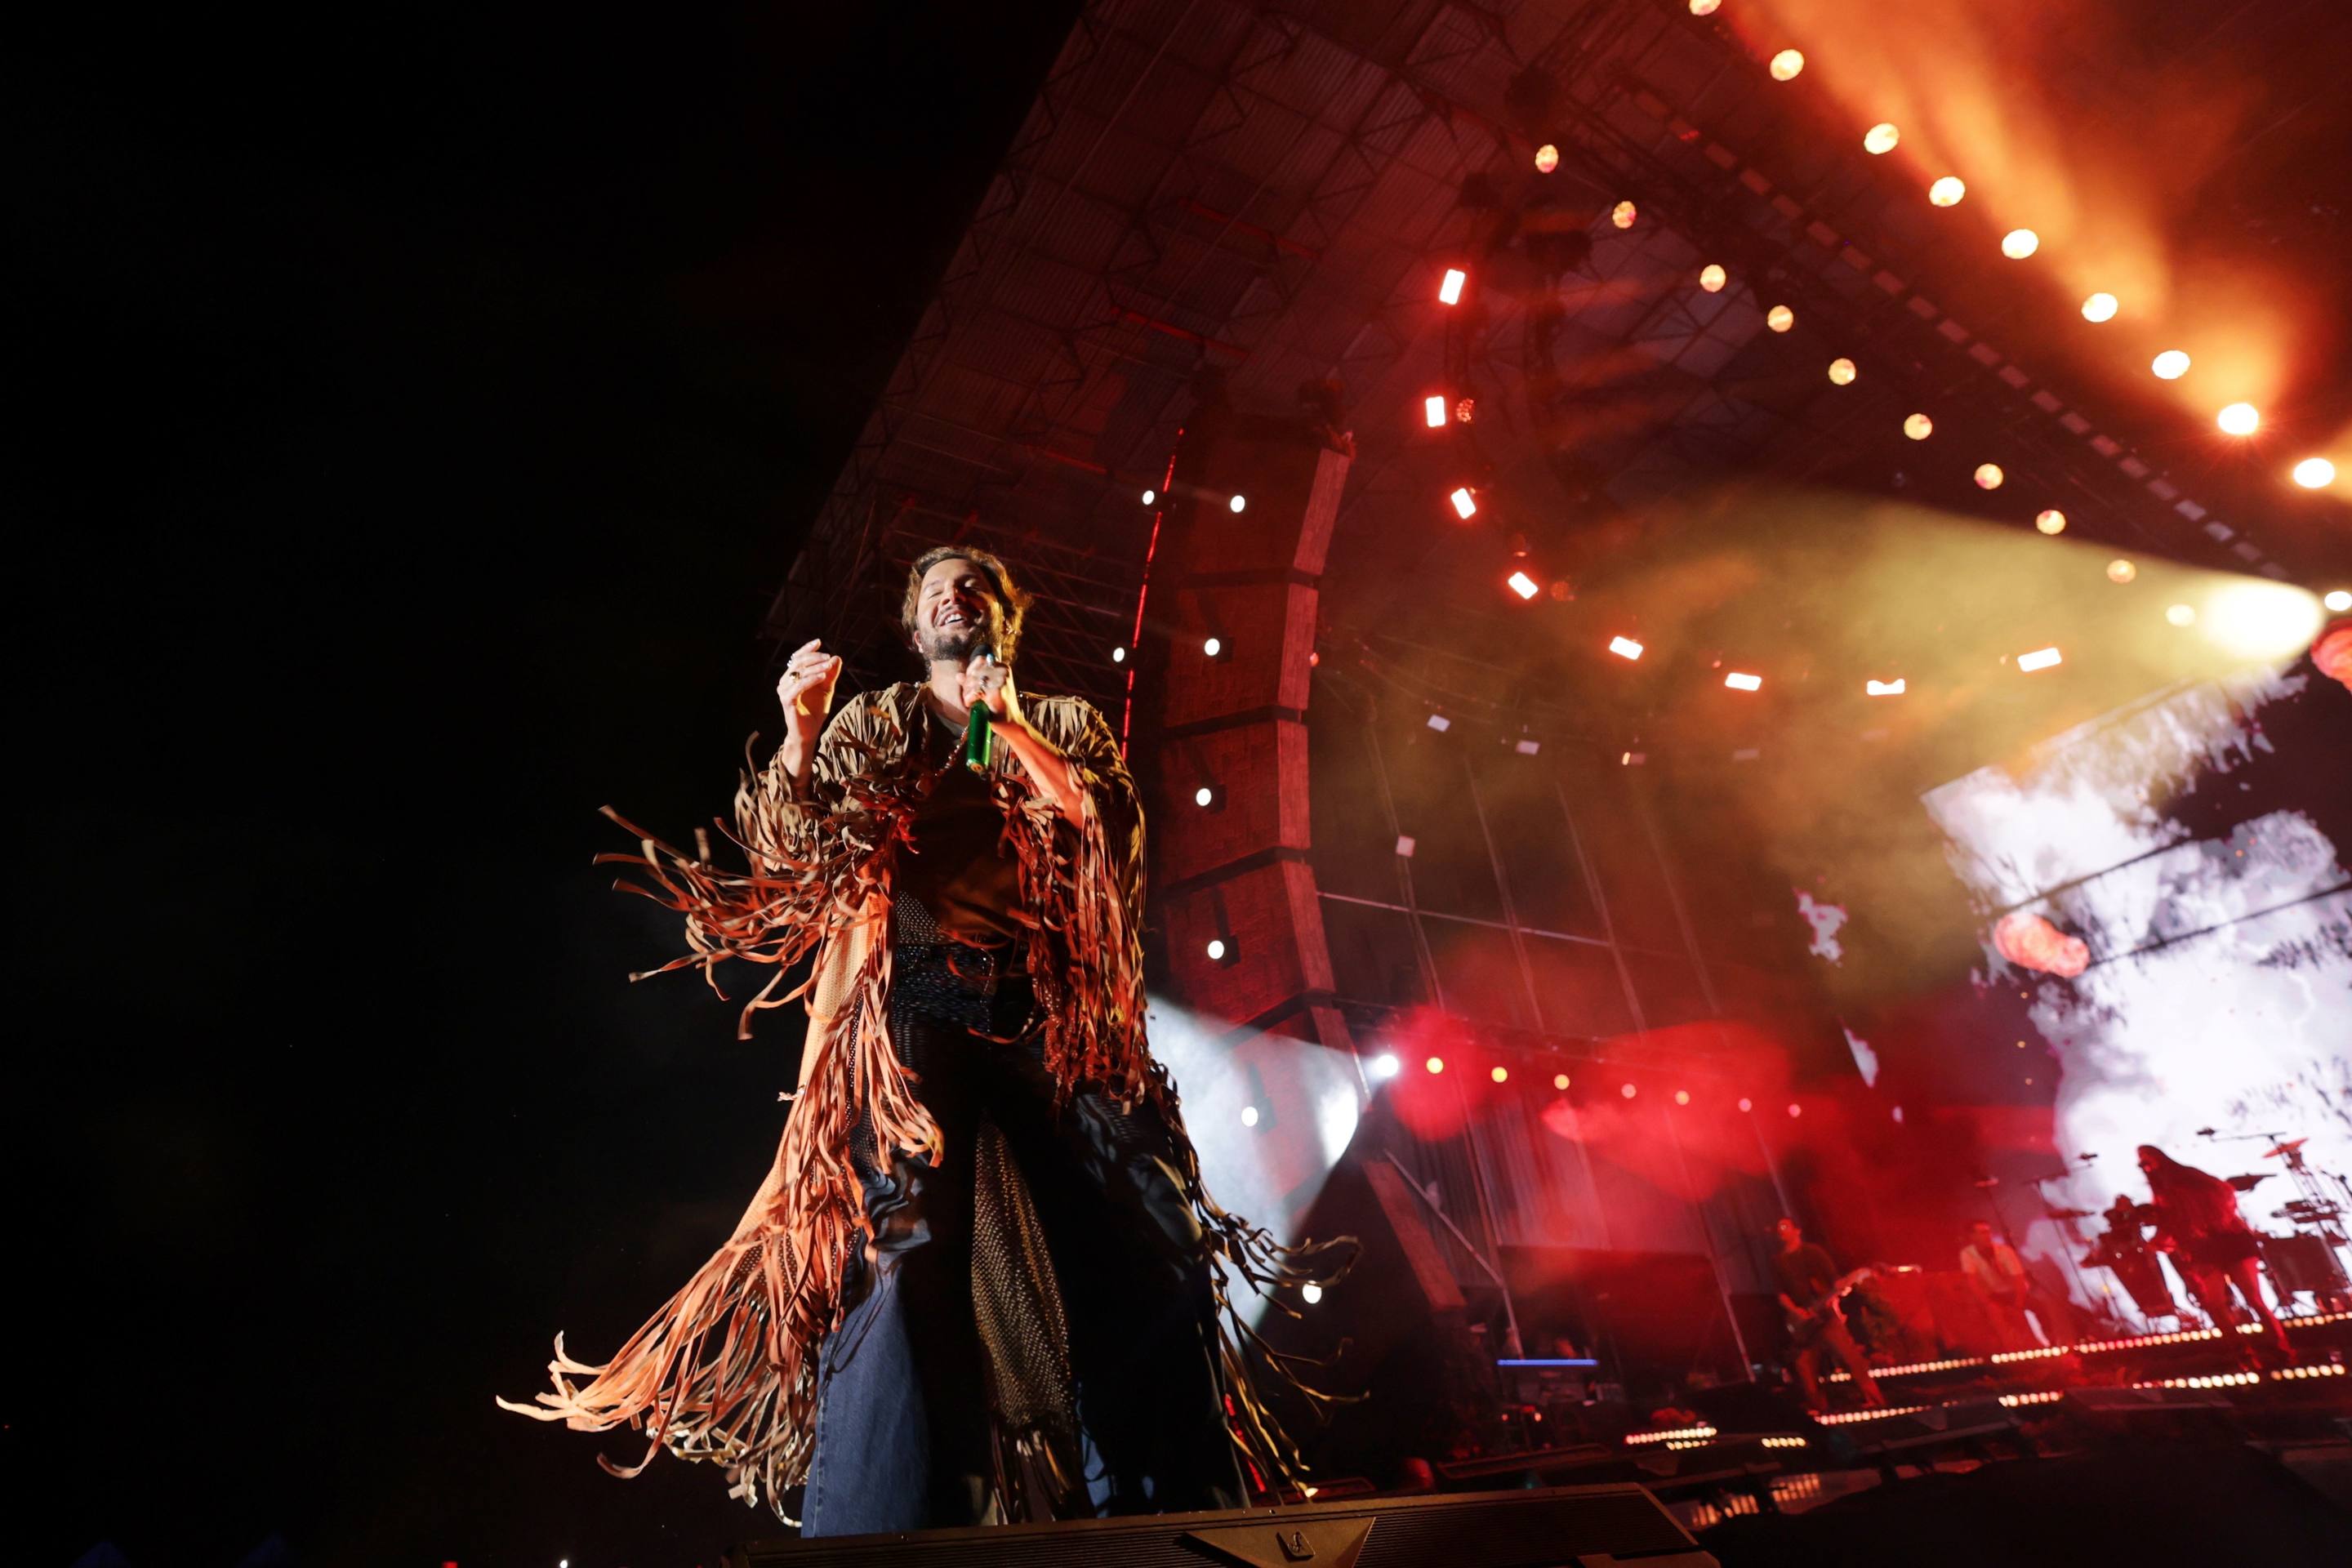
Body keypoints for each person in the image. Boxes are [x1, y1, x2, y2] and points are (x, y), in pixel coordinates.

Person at [501, 547, 1351, 1530]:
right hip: (917, 1004)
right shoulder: (879, 723)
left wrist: (1010, 728)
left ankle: (1178, 1514)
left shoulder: (1064, 724)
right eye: (938, 585)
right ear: (915, 628)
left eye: (978, 582)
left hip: (1049, 1012)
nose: (960, 591)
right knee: (903, 1248)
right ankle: (902, 1527)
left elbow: (1105, 833)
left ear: (1008, 619)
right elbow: (790, 848)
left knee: (1148, 1234)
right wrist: (803, 732)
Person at [2138, 1144, 2292, 1359]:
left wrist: (2215, 1220)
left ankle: (2280, 1347)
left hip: (2229, 1240)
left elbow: (2224, 1191)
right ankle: (2240, 1350)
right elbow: (2169, 1223)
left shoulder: (2189, 1177)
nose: (2144, 1164)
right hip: (2203, 1248)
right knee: (2214, 1303)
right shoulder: (2162, 1193)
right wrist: (2157, 1242)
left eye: (2147, 1158)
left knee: (2253, 1298)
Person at [1771, 1218, 1885, 1413]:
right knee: (1805, 1367)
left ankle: (1877, 1402)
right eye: (1779, 1227)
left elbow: (1835, 1281)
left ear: (1797, 1230)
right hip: (1804, 1325)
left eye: (1785, 1226)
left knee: (1851, 1358)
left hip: (1825, 1317)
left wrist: (1837, 1292)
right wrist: (1795, 1312)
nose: (1781, 1230)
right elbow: (1781, 1293)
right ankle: (1820, 1411)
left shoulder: (1813, 1252)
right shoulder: (1779, 1261)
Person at [1959, 1221, 2075, 1351]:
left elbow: (2019, 1279)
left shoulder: (2004, 1251)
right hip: (1992, 1295)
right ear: (1972, 1236)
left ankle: (2051, 1341)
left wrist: (2018, 1304)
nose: (1988, 1235)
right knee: (1981, 1317)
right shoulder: (1967, 1254)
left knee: (2039, 1308)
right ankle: (1999, 1349)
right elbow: (1972, 1281)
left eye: (1988, 1232)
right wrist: (1986, 1303)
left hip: (2013, 1292)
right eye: (1982, 1232)